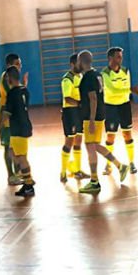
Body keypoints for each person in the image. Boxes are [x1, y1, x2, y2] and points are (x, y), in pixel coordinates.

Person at [77, 50, 130, 194]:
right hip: (100, 114)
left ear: (81, 62)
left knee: (90, 147)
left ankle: (94, 181)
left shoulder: (88, 78)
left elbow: (93, 98)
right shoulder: (97, 74)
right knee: (94, 145)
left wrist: (91, 119)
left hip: (92, 117)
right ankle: (120, 166)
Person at [0, 66, 35, 197]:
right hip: (25, 126)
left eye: (7, 78)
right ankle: (26, 178)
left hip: (18, 129)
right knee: (12, 152)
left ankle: (28, 184)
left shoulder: (12, 94)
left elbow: (6, 114)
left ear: (9, 78)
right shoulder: (24, 90)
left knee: (21, 158)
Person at [102, 47, 138, 175]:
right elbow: (112, 90)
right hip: (110, 107)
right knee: (110, 137)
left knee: (127, 135)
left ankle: (131, 163)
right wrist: (130, 90)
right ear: (110, 58)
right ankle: (108, 165)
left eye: (121, 56)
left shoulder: (125, 71)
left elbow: (126, 88)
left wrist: (129, 90)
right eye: (118, 56)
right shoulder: (105, 73)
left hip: (124, 106)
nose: (121, 59)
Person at [0, 53, 27, 186]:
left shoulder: (13, 79)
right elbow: (13, 94)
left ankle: (18, 172)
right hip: (6, 117)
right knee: (8, 147)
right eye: (17, 64)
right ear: (9, 65)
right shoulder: (7, 78)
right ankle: (11, 175)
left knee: (15, 146)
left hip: (14, 117)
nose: (19, 66)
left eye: (20, 64)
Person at [60, 53, 87, 182]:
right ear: (72, 64)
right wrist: (81, 103)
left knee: (79, 140)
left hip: (79, 112)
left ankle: (77, 170)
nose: (81, 65)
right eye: (78, 63)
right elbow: (67, 98)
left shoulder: (81, 76)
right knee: (69, 141)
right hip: (69, 112)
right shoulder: (67, 79)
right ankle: (63, 172)